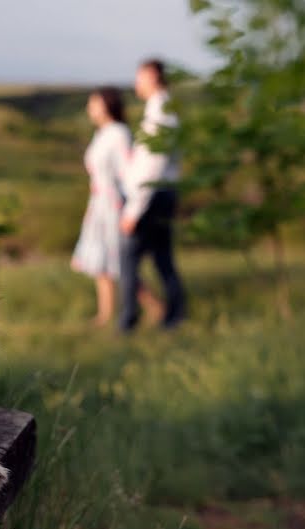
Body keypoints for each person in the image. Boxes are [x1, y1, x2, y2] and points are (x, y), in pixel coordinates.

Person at [71, 87, 162, 326]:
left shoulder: (119, 133)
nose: (90, 108)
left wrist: (130, 207)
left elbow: (127, 172)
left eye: (94, 103)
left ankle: (155, 307)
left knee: (119, 263)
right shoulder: (102, 133)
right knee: (101, 263)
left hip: (113, 205)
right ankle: (105, 315)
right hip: (99, 204)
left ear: (106, 105)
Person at [119, 59, 186, 332]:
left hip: (152, 196)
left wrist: (133, 210)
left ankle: (129, 320)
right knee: (162, 258)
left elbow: (153, 166)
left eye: (140, 77)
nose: (137, 83)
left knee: (127, 258)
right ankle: (174, 316)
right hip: (159, 194)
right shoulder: (161, 110)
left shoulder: (161, 114)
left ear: (152, 77)